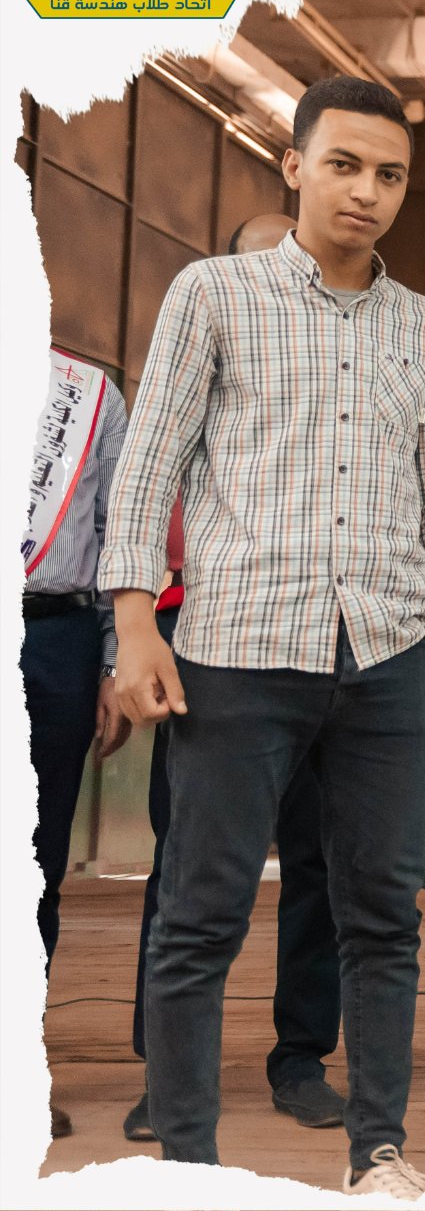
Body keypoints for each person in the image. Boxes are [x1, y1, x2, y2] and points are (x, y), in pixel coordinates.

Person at [101, 76, 425, 1199]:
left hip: (390, 653)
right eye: (345, 164)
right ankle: (189, 1163)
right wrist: (135, 621)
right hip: (237, 648)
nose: (367, 191)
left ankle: (379, 1151)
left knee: (383, 917)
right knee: (200, 912)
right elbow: (151, 459)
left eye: (390, 174)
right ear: (295, 165)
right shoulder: (213, 293)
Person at [124, 213, 346, 1145]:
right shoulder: (198, 356)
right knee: (188, 867)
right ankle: (168, 1070)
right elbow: (141, 492)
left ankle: (302, 1056)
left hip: (331, 648)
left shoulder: (341, 372)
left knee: (320, 866)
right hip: (212, 640)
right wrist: (135, 631)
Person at [26, 342, 129, 1140]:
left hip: (55, 638)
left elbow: (115, 532)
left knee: (36, 863)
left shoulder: (88, 392)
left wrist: (114, 663)